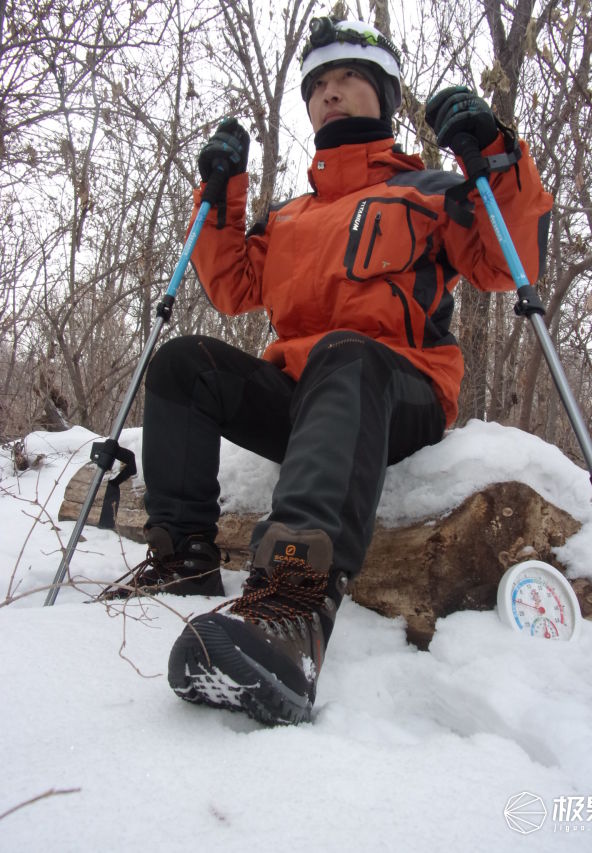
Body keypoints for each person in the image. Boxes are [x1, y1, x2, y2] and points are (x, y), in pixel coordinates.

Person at [102, 18, 553, 725]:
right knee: (185, 363)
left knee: (345, 353)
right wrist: (219, 192)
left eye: (348, 80)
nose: (330, 94)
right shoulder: (289, 217)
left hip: (399, 387)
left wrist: (492, 153)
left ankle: (292, 606)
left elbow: (507, 263)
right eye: (317, 85)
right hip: (309, 400)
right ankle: (182, 555)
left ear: (383, 95)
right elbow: (231, 287)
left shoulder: (430, 190)